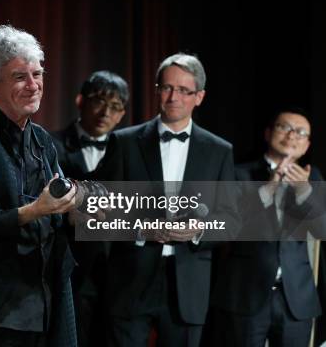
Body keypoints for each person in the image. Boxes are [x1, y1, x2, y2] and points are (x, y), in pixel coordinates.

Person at [96, 53, 239, 347]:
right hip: (130, 281)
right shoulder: (124, 142)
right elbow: (100, 211)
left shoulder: (219, 150)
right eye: (166, 87)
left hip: (189, 285)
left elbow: (232, 220)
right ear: (157, 89)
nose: (173, 97)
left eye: (184, 90)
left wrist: (198, 231)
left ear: (199, 97)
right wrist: (141, 231)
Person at [0, 25, 78, 346]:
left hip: (46, 300)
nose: (33, 85)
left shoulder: (43, 140)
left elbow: (58, 210)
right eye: (20, 77)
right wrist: (33, 211)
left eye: (37, 74)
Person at [211, 107, 326, 347]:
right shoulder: (239, 174)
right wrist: (269, 188)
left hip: (295, 299)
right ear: (267, 133)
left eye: (301, 132)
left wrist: (305, 192)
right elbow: (230, 227)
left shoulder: (312, 177)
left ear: (306, 145)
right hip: (246, 295)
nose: (292, 135)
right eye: (285, 127)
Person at [52, 70, 128, 347]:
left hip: (116, 274)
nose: (105, 111)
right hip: (70, 267)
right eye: (99, 101)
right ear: (80, 100)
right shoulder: (52, 145)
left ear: (122, 114)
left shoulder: (129, 150)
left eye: (116, 106)